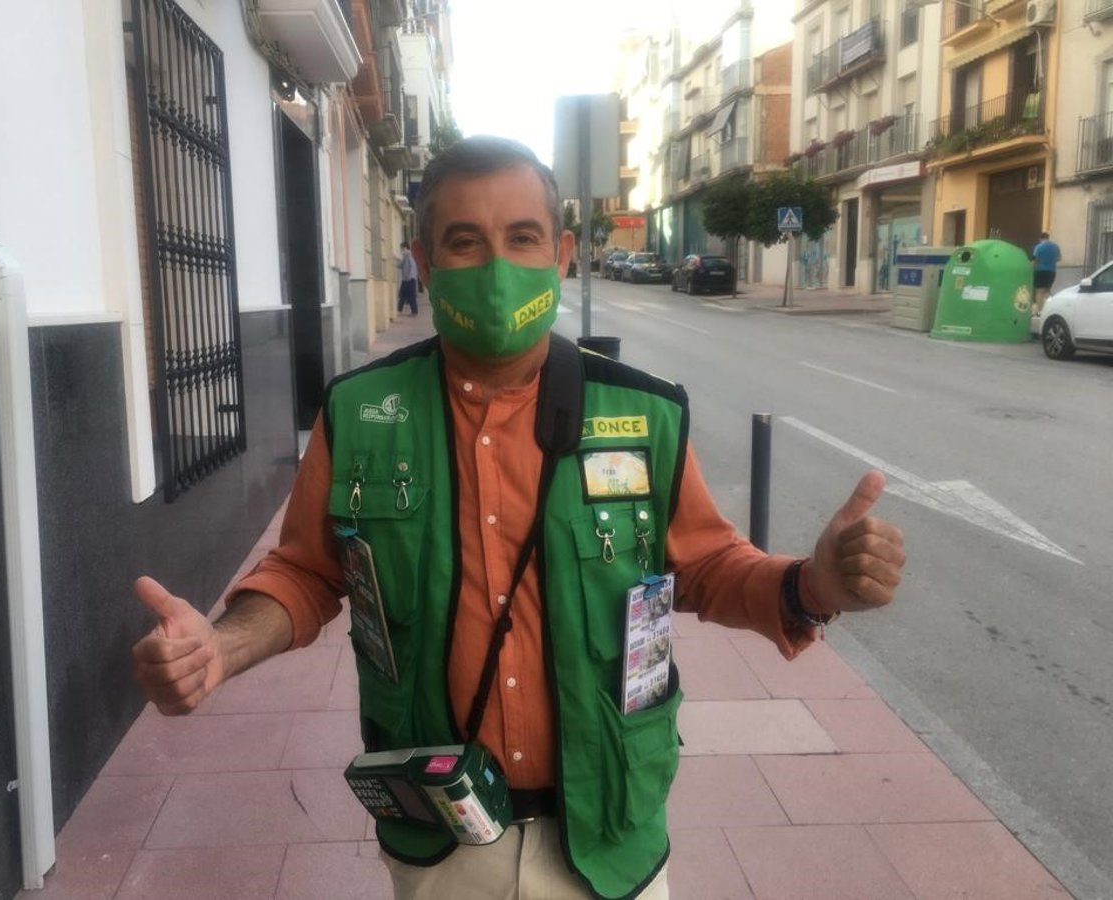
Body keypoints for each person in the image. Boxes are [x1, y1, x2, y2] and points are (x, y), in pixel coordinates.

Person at [131, 136, 906, 900]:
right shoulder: (362, 414)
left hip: (610, 834)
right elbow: (306, 573)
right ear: (425, 262)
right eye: (465, 242)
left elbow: (705, 566)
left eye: (523, 238)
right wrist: (220, 647)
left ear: (561, 254)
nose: (497, 267)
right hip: (444, 842)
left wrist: (810, 586)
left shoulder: (645, 413)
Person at [1031, 231, 1062, 314]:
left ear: (1040, 239)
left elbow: (1034, 261)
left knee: (1039, 292)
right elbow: (1059, 258)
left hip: (1040, 271)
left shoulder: (1038, 247)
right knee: (1047, 291)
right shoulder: (1056, 247)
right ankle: (1052, 308)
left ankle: (1040, 311)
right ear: (1048, 238)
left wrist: (1031, 270)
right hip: (1052, 272)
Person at [397, 240, 419, 315]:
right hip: (410, 277)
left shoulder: (407, 254)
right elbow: (403, 264)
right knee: (404, 295)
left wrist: (406, 278)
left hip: (408, 278)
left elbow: (407, 266)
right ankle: (400, 310)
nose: (401, 250)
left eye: (401, 248)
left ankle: (414, 311)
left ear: (405, 247)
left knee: (409, 295)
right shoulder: (409, 254)